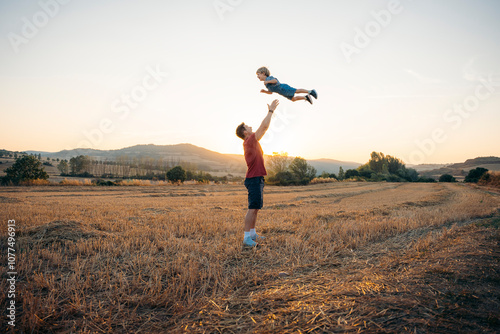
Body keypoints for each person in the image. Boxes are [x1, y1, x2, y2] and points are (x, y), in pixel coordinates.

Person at [235, 99, 280, 247]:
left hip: (257, 178)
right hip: (253, 179)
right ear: (245, 132)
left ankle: (253, 234)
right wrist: (271, 111)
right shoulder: (249, 141)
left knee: (256, 208)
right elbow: (264, 127)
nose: (250, 126)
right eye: (247, 126)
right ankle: (246, 238)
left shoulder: (251, 141)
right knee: (252, 208)